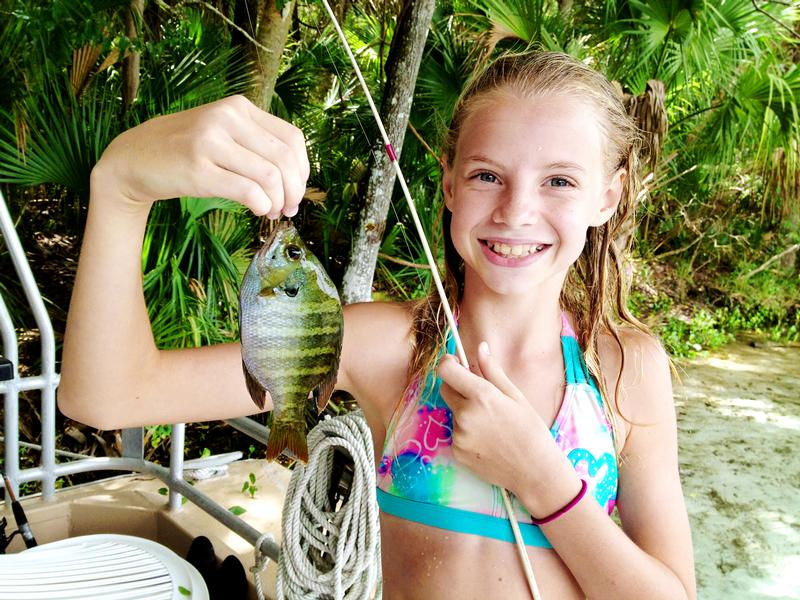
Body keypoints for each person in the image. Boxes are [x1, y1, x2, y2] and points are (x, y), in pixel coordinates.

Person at [59, 51, 696, 598]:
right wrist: (120, 187)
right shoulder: (390, 346)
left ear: (607, 197)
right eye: (486, 176)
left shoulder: (624, 367)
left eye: (559, 180)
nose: (517, 210)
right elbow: (109, 394)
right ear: (448, 185)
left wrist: (541, 476)